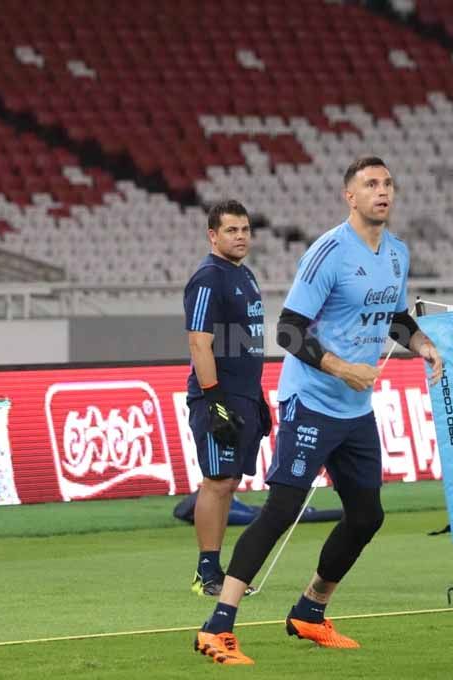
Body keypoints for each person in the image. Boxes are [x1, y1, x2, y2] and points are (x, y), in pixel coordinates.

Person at [193, 156, 443, 665]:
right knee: (281, 510)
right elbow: (288, 329)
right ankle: (217, 626)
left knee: (367, 516)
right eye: (371, 184)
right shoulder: (328, 252)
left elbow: (393, 317)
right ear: (350, 197)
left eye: (388, 183)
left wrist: (422, 345)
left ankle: (310, 609)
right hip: (310, 400)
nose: (382, 191)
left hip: (355, 410)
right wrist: (341, 367)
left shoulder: (397, 253)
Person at [183, 199, 271, 596]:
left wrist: (260, 398)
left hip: (244, 395)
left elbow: (247, 344)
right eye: (231, 230)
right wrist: (213, 398)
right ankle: (207, 573)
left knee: (230, 481)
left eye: (245, 229)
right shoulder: (208, 277)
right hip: (217, 396)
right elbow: (199, 342)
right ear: (213, 236)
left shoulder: (245, 275)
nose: (240, 236)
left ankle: (218, 571)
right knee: (216, 482)